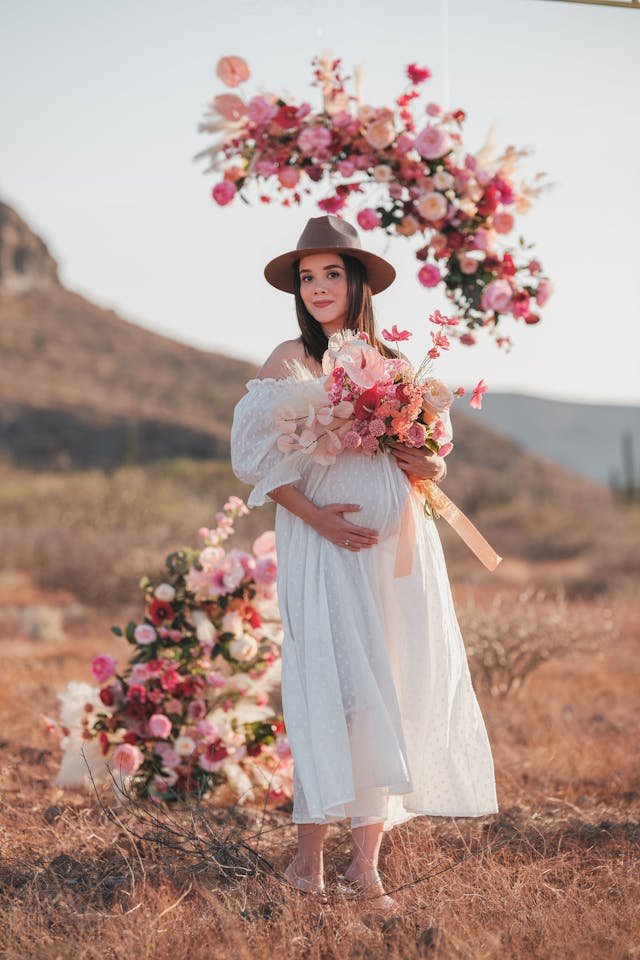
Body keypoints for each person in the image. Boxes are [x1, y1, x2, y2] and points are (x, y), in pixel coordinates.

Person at [230, 215, 499, 911]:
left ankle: (367, 867)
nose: (318, 287)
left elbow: (431, 454)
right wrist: (317, 518)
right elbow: (256, 463)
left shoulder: (395, 364)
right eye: (307, 277)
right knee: (333, 688)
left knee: (388, 685)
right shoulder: (288, 358)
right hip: (321, 546)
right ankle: (307, 861)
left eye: (331, 273)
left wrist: (426, 458)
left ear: (356, 281)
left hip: (393, 552)